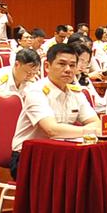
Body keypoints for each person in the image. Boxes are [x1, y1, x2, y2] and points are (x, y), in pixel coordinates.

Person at [9, 42, 100, 176]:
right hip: (28, 156)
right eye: (62, 64)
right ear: (47, 66)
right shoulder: (35, 92)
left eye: (72, 65)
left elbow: (96, 123)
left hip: (62, 153)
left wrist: (92, 129)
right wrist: (89, 131)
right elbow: (52, 130)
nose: (68, 69)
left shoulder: (76, 92)